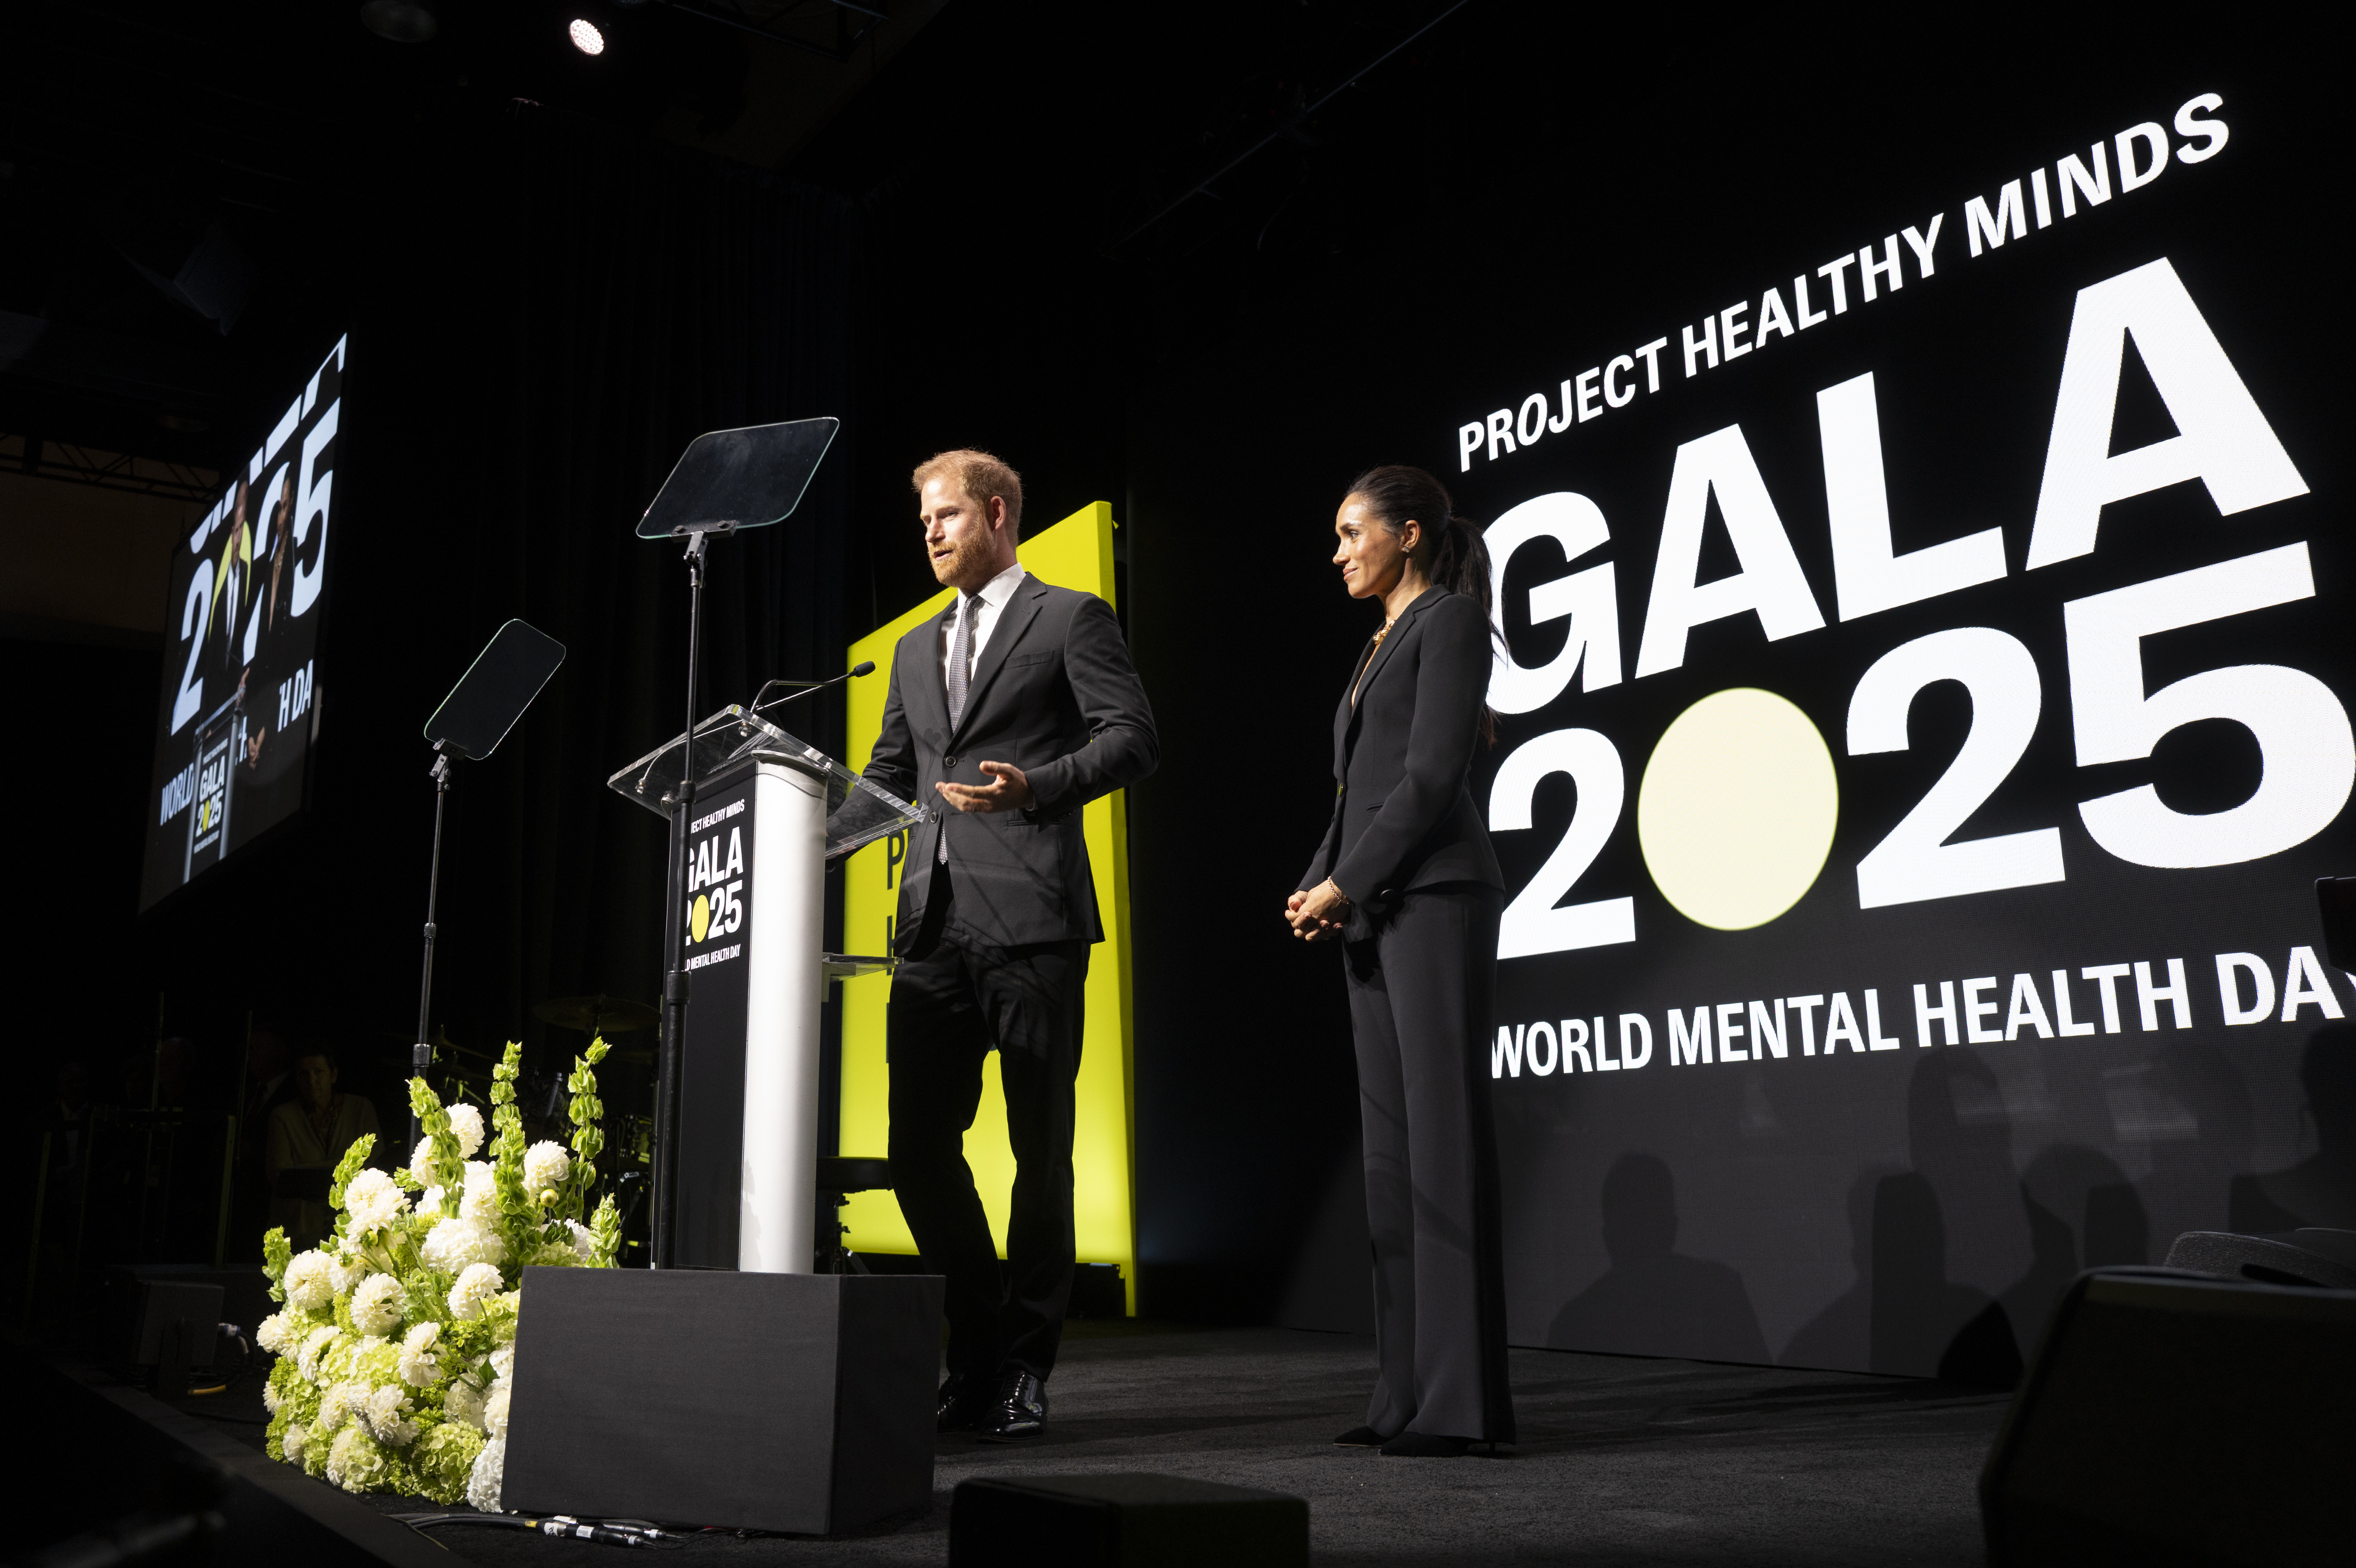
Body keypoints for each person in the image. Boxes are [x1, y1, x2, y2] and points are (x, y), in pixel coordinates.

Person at [864, 449, 1159, 1441]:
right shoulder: (912, 646)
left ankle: (1026, 1366)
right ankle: (980, 1343)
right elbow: (890, 773)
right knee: (916, 1151)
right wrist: (811, 811)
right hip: (930, 925)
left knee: (1040, 1152)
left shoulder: (1069, 617)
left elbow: (1133, 737)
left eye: (946, 514)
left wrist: (1039, 785)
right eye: (922, 519)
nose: (930, 531)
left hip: (1033, 917)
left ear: (996, 513)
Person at [1286, 463, 1516, 1457]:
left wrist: (1347, 881)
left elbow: (1428, 778)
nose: (1339, 551)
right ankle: (1402, 1395)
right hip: (1374, 903)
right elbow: (1359, 792)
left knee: (1443, 1144)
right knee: (1390, 1158)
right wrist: (1318, 881)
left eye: (1353, 532)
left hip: (1434, 897)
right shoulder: (1376, 642)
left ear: (1409, 533)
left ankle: (1461, 1405)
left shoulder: (1448, 622)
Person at [265, 1047, 379, 1251]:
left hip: (354, 1229)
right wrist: (341, 1168)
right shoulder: (283, 1116)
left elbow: (375, 1165)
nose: (312, 1080)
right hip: (299, 1232)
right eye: (304, 1074)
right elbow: (281, 1177)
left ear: (333, 1075)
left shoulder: (360, 1109)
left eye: (319, 1072)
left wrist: (310, 1171)